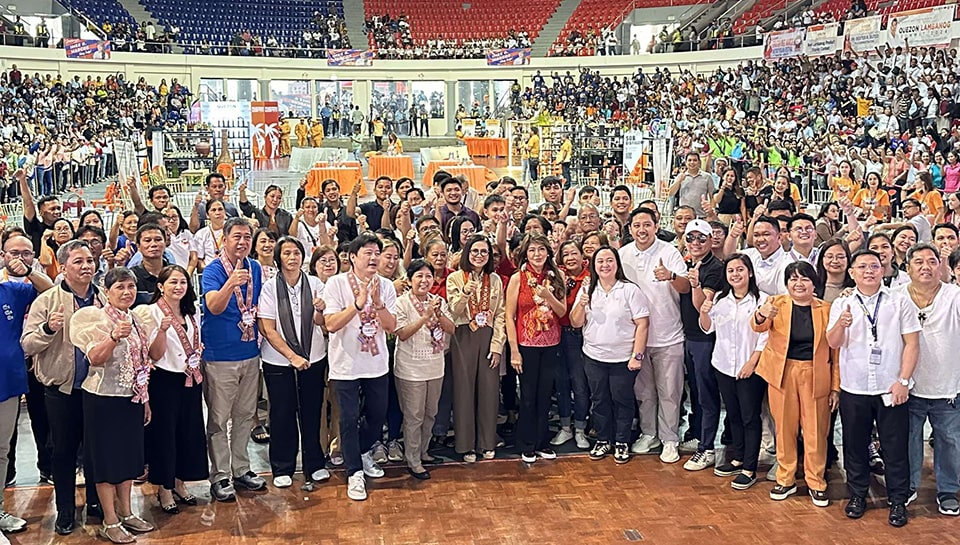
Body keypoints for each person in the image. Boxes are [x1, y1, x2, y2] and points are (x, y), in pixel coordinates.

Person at [69, 267, 165, 544]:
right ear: (107, 292)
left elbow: (149, 359)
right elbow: (95, 359)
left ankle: (126, 512)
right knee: (106, 462)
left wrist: (144, 399)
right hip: (103, 400)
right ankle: (109, 520)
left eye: (131, 287)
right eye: (120, 288)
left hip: (132, 399)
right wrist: (112, 337)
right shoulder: (94, 319)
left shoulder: (137, 318)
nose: (127, 292)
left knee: (128, 459)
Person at [827, 249, 919, 526]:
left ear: (883, 270)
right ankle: (857, 495)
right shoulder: (843, 304)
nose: (869, 271)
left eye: (874, 266)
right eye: (862, 267)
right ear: (852, 272)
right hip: (854, 386)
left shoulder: (900, 301)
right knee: (854, 446)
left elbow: (912, 344)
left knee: (894, 448)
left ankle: (898, 501)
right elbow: (832, 343)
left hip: (891, 387)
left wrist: (903, 381)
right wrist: (841, 325)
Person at [21, 240, 104, 535]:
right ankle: (66, 509)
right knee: (64, 451)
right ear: (64, 266)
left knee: (96, 449)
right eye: (78, 261)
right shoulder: (47, 301)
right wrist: (48, 329)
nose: (86, 266)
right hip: (62, 390)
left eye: (90, 261)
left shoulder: (103, 299)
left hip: (99, 388)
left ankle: (97, 502)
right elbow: (27, 344)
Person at [752, 261, 837, 507]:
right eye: (793, 279)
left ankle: (816, 482)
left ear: (814, 283)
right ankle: (785, 478)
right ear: (787, 283)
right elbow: (757, 326)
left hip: (815, 372)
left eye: (804, 279)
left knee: (816, 431)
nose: (798, 284)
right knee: (785, 428)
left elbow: (836, 352)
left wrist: (836, 387)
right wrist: (761, 314)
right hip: (782, 372)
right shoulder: (776, 304)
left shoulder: (827, 309)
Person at [322, 233, 398, 501]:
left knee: (377, 415)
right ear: (352, 257)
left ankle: (363, 451)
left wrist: (377, 303)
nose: (374, 257)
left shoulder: (386, 285)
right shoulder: (336, 284)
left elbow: (391, 327)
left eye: (377, 252)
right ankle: (354, 472)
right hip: (346, 364)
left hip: (376, 364)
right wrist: (357, 303)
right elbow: (330, 324)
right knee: (348, 418)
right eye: (368, 252)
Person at [201, 217, 266, 502]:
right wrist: (230, 283)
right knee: (219, 419)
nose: (242, 242)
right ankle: (220, 475)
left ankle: (241, 468)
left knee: (244, 416)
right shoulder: (213, 270)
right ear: (224, 239)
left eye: (247, 237)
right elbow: (213, 306)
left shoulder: (255, 267)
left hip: (250, 353)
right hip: (219, 356)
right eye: (236, 236)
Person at [133, 265, 208, 514]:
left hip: (190, 378)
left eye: (183, 282)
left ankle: (180, 482)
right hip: (164, 381)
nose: (178, 287)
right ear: (161, 286)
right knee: (165, 434)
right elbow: (154, 354)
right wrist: (163, 330)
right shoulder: (151, 313)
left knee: (188, 431)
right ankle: (164, 488)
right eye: (173, 282)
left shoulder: (191, 311)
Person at [257, 237, 330, 489]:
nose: (292, 257)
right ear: (278, 258)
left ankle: (315, 464)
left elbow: (323, 323)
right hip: (279, 362)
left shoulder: (316, 283)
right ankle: (282, 466)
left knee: (312, 413)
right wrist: (292, 356)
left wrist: (320, 310)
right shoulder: (269, 287)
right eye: (286, 253)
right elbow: (267, 327)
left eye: (296, 252)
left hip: (314, 357)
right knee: (282, 413)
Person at [619, 208, 689, 463]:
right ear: (630, 229)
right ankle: (649, 434)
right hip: (636, 338)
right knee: (644, 391)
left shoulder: (668, 252)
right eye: (636, 225)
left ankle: (670, 439)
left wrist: (670, 276)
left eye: (647, 224)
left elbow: (685, 287)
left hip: (668, 335)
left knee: (670, 391)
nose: (642, 230)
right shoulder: (622, 255)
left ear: (656, 226)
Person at [568, 247, 649, 464]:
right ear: (594, 266)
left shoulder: (629, 290)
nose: (605, 265)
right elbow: (576, 322)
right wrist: (581, 305)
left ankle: (622, 441)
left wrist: (637, 356)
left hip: (623, 358)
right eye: (600, 261)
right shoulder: (587, 289)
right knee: (599, 400)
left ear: (617, 264)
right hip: (594, 357)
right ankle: (603, 439)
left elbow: (642, 324)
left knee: (622, 400)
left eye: (609, 260)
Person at [901, 242, 960, 515]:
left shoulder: (954, 296)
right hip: (908, 386)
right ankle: (909, 486)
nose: (926, 267)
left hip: (947, 386)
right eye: (918, 262)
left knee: (950, 441)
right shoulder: (896, 297)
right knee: (909, 439)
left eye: (932, 261)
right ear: (908, 267)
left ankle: (948, 490)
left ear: (941, 265)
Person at [0, 235, 53, 534]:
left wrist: (26, 268)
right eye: (13, 252)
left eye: (25, 252)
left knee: (0, 450)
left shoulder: (11, 290)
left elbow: (52, 291)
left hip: (6, 381)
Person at [701, 254, 768, 490]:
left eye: (740, 270)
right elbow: (708, 329)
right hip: (723, 365)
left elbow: (766, 335)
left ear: (749, 272)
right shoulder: (720, 299)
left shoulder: (763, 301)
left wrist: (752, 362)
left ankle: (750, 467)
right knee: (734, 414)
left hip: (750, 368)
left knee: (750, 417)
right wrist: (703, 311)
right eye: (731, 271)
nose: (736, 275)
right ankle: (738, 457)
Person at [505, 233, 567, 464]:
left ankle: (543, 441)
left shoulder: (556, 275)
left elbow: (562, 312)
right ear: (525, 253)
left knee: (544, 395)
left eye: (541, 249)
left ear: (548, 252)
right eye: (532, 250)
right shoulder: (517, 278)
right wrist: (514, 350)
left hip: (551, 343)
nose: (537, 254)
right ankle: (527, 443)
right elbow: (509, 316)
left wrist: (549, 296)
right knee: (528, 396)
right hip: (526, 344)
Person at [446, 235, 506, 461]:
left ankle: (487, 442)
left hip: (488, 335)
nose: (479, 255)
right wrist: (466, 292)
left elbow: (500, 313)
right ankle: (465, 445)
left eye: (484, 252)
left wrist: (498, 345)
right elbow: (454, 310)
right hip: (464, 335)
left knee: (489, 390)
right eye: (474, 251)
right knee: (464, 390)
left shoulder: (496, 280)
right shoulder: (455, 279)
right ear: (466, 253)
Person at [395, 259, 455, 478]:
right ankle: (412, 459)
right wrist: (425, 316)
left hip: (435, 365)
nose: (424, 280)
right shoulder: (401, 302)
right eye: (419, 276)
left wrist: (438, 314)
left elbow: (451, 329)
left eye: (428, 276)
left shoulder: (438, 301)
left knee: (431, 413)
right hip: (410, 368)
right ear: (410, 280)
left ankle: (423, 450)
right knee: (414, 415)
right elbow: (401, 333)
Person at [681, 219, 726, 469]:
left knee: (707, 393)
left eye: (701, 238)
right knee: (696, 391)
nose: (695, 243)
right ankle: (698, 435)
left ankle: (707, 447)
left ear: (711, 240)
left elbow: (702, 307)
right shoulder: (689, 262)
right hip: (689, 336)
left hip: (705, 338)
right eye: (690, 238)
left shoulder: (715, 267)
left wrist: (696, 284)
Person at [551, 240, 590, 449]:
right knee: (561, 383)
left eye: (573, 253)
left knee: (580, 383)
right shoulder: (558, 276)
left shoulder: (590, 277)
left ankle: (581, 428)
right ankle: (565, 427)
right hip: (558, 334)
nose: (570, 258)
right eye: (566, 255)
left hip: (579, 335)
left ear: (582, 255)